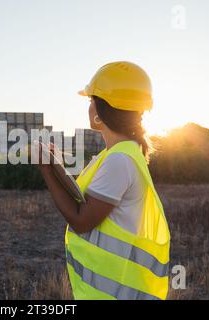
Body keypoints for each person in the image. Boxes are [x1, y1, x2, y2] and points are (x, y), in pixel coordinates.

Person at [37, 61, 170, 300]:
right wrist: (54, 164)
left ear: (102, 108)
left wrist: (46, 170)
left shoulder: (119, 161)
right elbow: (81, 198)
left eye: (91, 100)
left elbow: (81, 220)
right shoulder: (119, 154)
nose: (89, 107)